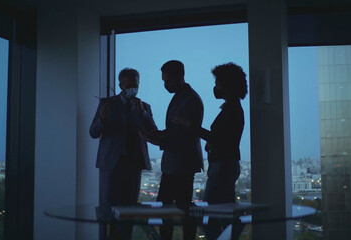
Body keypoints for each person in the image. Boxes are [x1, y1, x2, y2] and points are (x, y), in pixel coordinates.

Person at [174, 62, 247, 239]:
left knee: (211, 213)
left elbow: (219, 139)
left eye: (218, 83)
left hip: (222, 166)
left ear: (227, 86)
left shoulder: (231, 110)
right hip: (226, 164)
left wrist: (189, 124)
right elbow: (224, 139)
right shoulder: (232, 109)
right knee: (225, 211)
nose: (215, 87)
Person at [89, 68, 157, 240]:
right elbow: (93, 132)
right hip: (111, 165)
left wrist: (142, 112)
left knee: (130, 209)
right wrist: (102, 120)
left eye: (136, 85)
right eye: (129, 85)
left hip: (133, 165)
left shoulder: (144, 106)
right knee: (108, 209)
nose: (133, 89)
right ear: (120, 85)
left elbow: (153, 132)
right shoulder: (107, 104)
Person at [144, 60, 204, 240]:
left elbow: (185, 137)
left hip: (181, 164)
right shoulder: (184, 96)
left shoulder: (189, 99)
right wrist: (158, 135)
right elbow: (176, 132)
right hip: (176, 164)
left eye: (168, 81)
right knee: (171, 208)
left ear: (180, 77)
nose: (165, 85)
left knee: (175, 209)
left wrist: (154, 140)